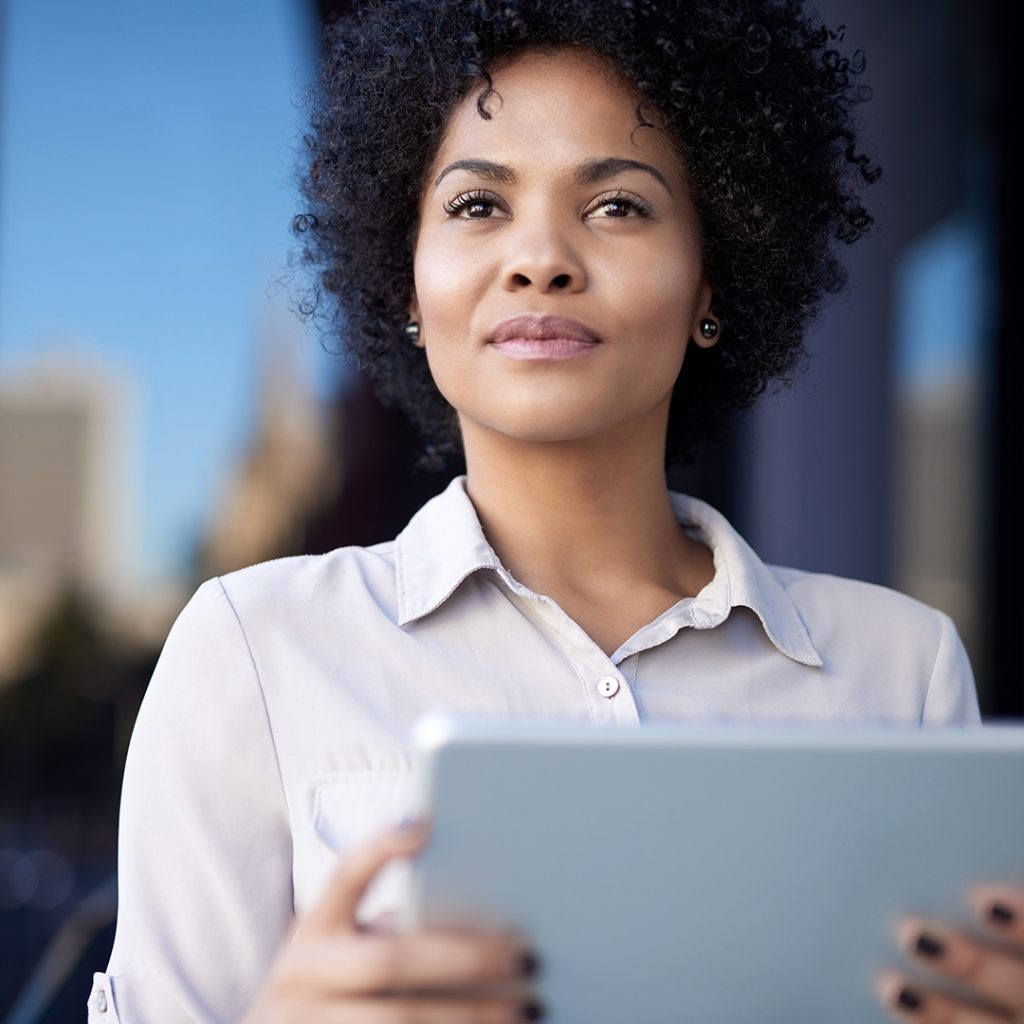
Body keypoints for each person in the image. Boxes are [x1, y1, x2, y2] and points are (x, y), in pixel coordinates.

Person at [89, 1, 1024, 1021]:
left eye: (617, 205)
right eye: (477, 206)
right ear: (408, 275)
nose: (541, 257)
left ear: (712, 274)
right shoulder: (254, 650)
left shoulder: (903, 665)